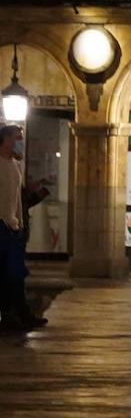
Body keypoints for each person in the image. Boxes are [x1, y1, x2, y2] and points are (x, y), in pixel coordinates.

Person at [0, 124, 47, 332]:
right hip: (1, 225)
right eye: (16, 138)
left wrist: (18, 222)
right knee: (5, 273)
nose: (19, 142)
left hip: (13, 227)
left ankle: (20, 312)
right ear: (5, 139)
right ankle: (9, 314)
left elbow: (18, 198)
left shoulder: (15, 164)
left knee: (16, 273)